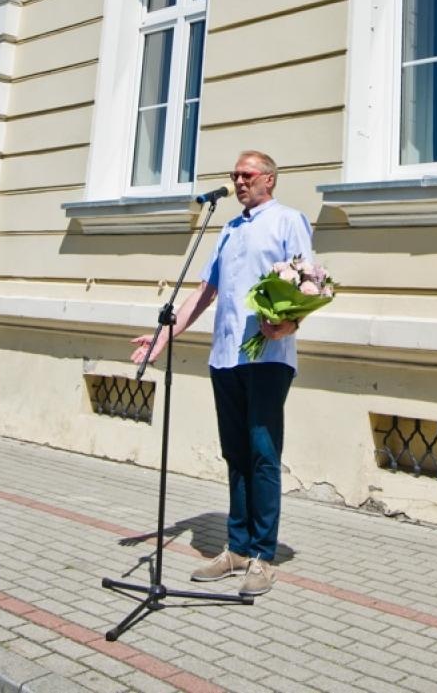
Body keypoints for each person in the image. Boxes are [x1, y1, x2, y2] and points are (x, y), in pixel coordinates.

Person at [131, 150, 313, 597]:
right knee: (235, 454)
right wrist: (162, 338)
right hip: (225, 358)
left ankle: (263, 558)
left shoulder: (289, 220)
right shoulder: (228, 229)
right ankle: (236, 547)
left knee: (262, 453)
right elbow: (205, 291)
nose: (238, 180)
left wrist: (289, 323)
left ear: (270, 179)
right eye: (235, 175)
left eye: (247, 174)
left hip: (268, 357)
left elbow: (307, 282)